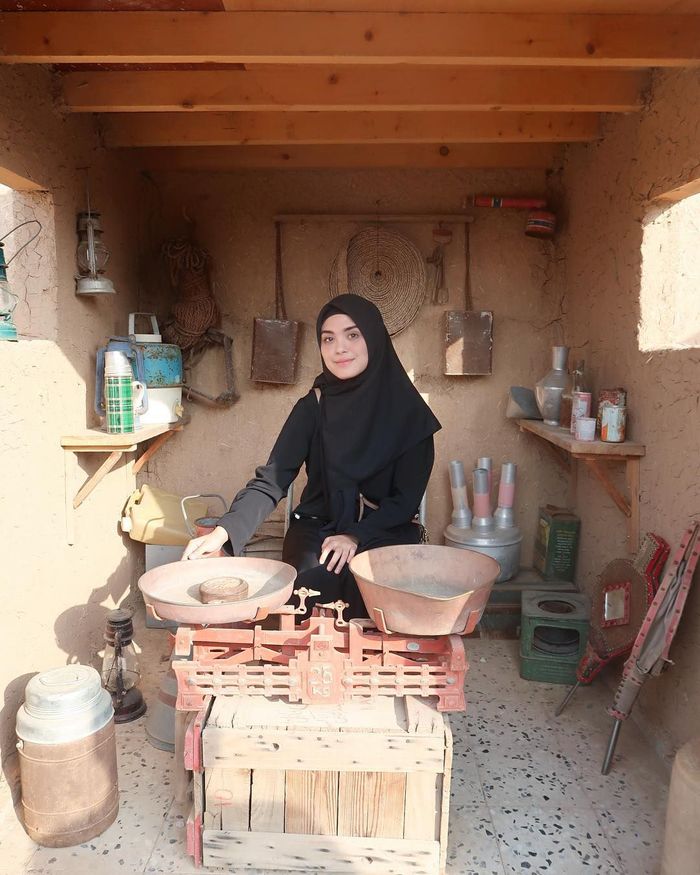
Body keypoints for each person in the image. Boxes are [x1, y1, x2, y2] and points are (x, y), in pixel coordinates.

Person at [182, 294, 441, 619]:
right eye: (328, 338)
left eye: (352, 335)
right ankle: (309, 665)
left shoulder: (411, 417)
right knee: (307, 585)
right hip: (319, 526)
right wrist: (224, 531)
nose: (339, 348)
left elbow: (405, 502)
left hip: (384, 529)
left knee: (373, 584)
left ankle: (367, 667)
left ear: (374, 338)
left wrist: (354, 535)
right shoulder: (314, 407)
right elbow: (272, 481)